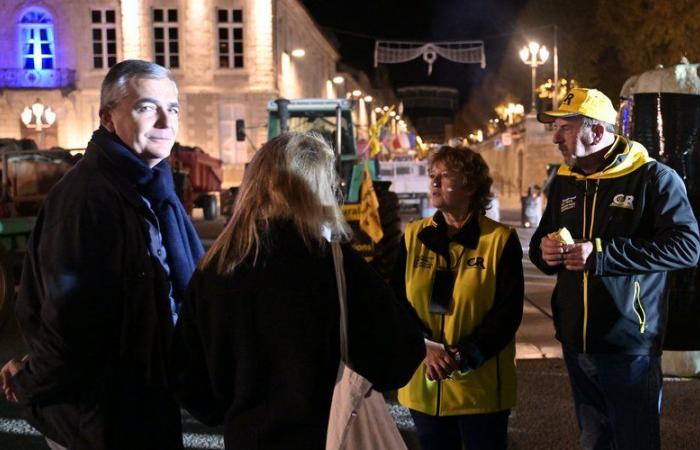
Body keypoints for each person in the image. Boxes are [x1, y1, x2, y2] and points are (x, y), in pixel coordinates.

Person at [171, 132, 425, 449]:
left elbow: (191, 383)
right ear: (319, 190)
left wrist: (242, 410)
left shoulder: (215, 270)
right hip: (328, 438)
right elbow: (400, 358)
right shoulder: (337, 266)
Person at [0, 59, 204, 450]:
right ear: (107, 118)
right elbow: (70, 325)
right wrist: (28, 382)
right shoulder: (86, 200)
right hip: (100, 423)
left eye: (173, 109)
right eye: (147, 107)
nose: (166, 122)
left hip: (145, 406)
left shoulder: (153, 189)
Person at [530, 87, 700, 450]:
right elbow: (539, 242)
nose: (555, 136)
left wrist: (603, 254)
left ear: (598, 131)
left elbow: (687, 248)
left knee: (635, 441)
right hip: (577, 342)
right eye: (554, 127)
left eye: (565, 127)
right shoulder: (565, 180)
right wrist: (544, 251)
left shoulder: (654, 178)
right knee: (593, 441)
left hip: (629, 344)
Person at [391, 145, 524, 450]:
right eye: (432, 175)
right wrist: (425, 347)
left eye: (445, 175)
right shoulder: (413, 236)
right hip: (425, 385)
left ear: (471, 184)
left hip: (480, 390)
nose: (434, 182)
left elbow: (507, 314)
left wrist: (463, 356)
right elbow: (397, 301)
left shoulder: (500, 240)